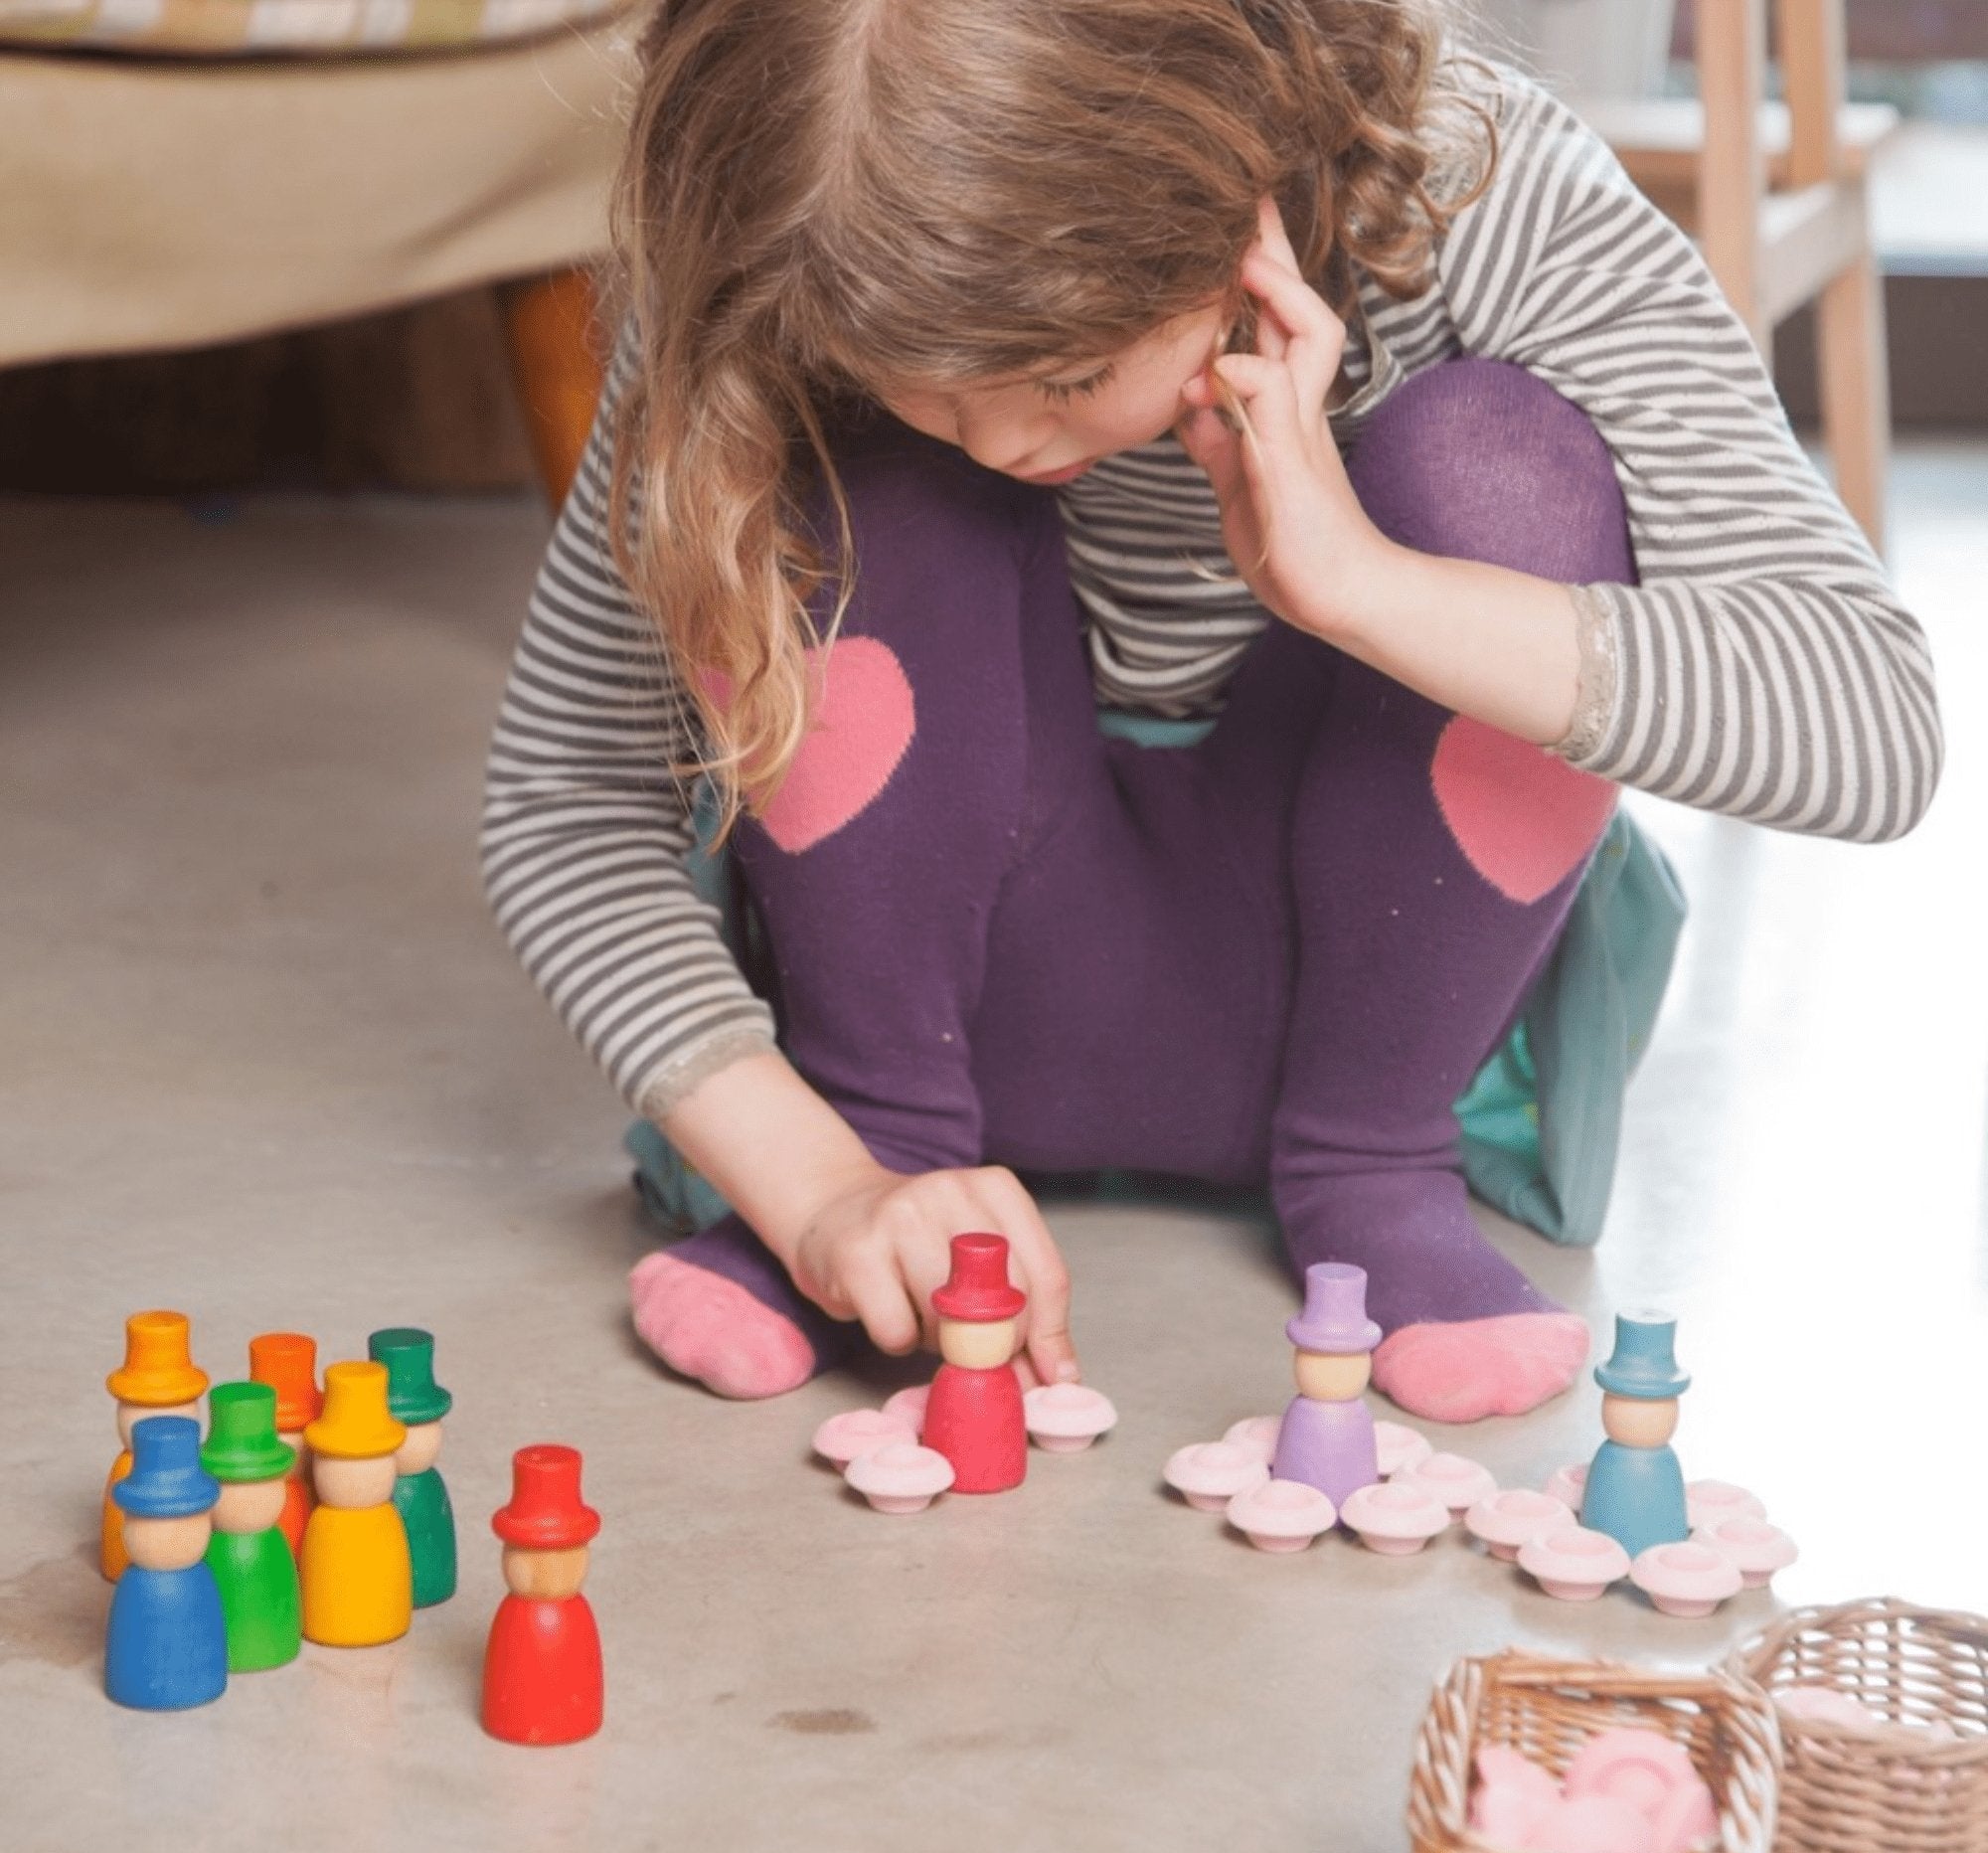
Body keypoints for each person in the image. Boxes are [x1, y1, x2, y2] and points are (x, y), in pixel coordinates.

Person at [481, 0, 1939, 1424]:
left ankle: (1373, 1162)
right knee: (843, 470)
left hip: (1369, 983)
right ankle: (888, 1139)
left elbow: (1874, 726)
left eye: (1063, 377)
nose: (1000, 441)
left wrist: (1366, 588)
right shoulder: (788, 218)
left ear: (1245, 188)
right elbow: (564, 804)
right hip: (917, 1013)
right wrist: (820, 1190)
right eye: (923, 387)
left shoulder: (1488, 195)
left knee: (1504, 471)